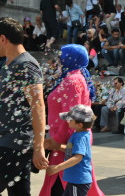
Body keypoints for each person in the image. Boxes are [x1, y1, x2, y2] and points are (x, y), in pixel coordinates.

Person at [39, 44, 104, 196]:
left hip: (67, 140)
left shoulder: (73, 81)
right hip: (67, 138)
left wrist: (56, 142)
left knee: (63, 185)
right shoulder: (75, 76)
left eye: (64, 55)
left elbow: (71, 115)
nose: (61, 59)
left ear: (72, 58)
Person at [0, 17, 48, 196]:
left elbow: (38, 106)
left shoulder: (26, 65)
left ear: (3, 39)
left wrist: (39, 146)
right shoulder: (8, 64)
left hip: (14, 144)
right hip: (8, 141)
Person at [46, 105, 96, 196]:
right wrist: (57, 146)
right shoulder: (78, 133)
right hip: (75, 179)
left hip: (78, 181)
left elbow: (77, 157)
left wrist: (58, 167)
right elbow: (72, 150)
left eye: (70, 120)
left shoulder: (80, 137)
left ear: (79, 125)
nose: (67, 121)